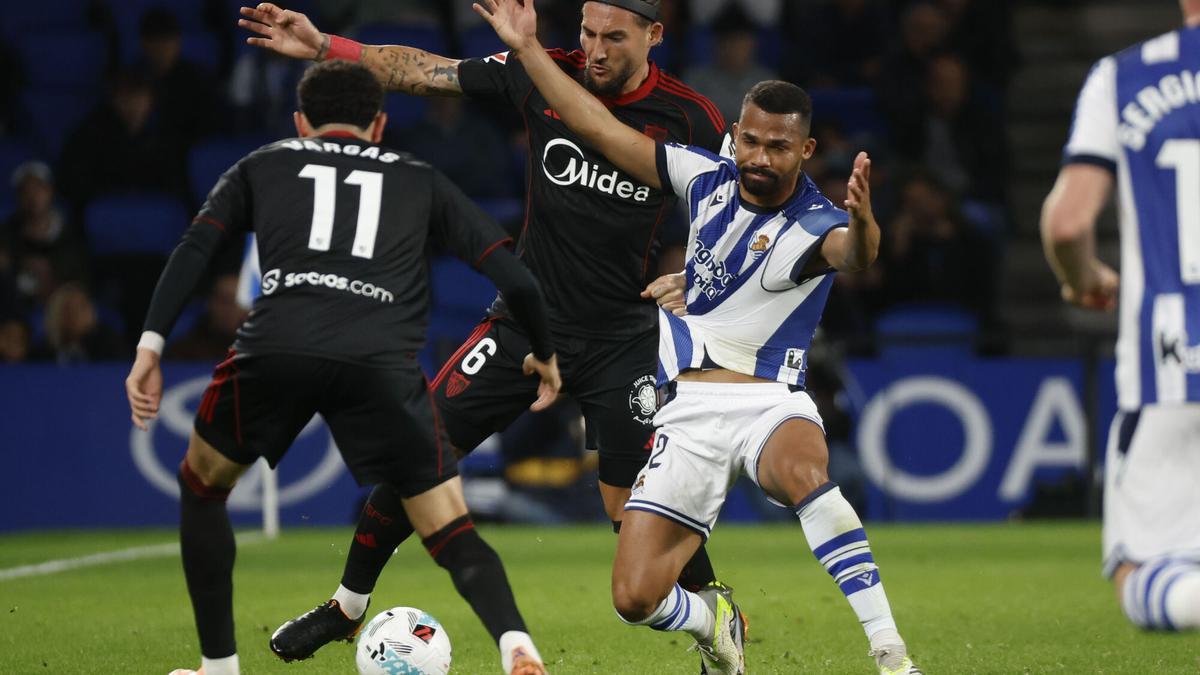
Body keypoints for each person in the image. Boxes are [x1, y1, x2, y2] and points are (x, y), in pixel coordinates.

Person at [238, 0, 733, 659]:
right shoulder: (540, 70)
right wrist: (325, 42)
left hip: (624, 340)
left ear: (655, 35)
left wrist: (696, 279)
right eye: (587, 32)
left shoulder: (691, 117)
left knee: (635, 510)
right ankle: (348, 604)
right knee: (420, 449)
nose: (596, 49)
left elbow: (732, 220)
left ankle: (714, 613)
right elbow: (424, 72)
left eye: (615, 37)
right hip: (525, 325)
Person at [472, 1, 922, 673]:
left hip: (768, 402)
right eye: (752, 141)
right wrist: (530, 51)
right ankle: (713, 618)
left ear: (806, 150)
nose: (761, 157)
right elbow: (594, 123)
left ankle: (892, 655)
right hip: (684, 414)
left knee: (805, 473)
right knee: (634, 595)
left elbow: (855, 256)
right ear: (734, 135)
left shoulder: (816, 222)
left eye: (779, 147)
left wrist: (863, 223)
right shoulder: (702, 176)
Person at [124, 60, 561, 675]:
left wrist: (150, 346)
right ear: (379, 125)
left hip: (274, 348)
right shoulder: (419, 176)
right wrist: (542, 350)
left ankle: (219, 668)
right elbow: (517, 279)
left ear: (301, 123)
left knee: (202, 489)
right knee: (452, 532)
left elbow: (195, 248)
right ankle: (518, 647)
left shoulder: (263, 162)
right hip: (380, 361)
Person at [1040, 0, 1200, 632]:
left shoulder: (1124, 76)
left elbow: (1069, 221)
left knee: (1142, 574)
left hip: (1172, 364)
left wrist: (1083, 280)